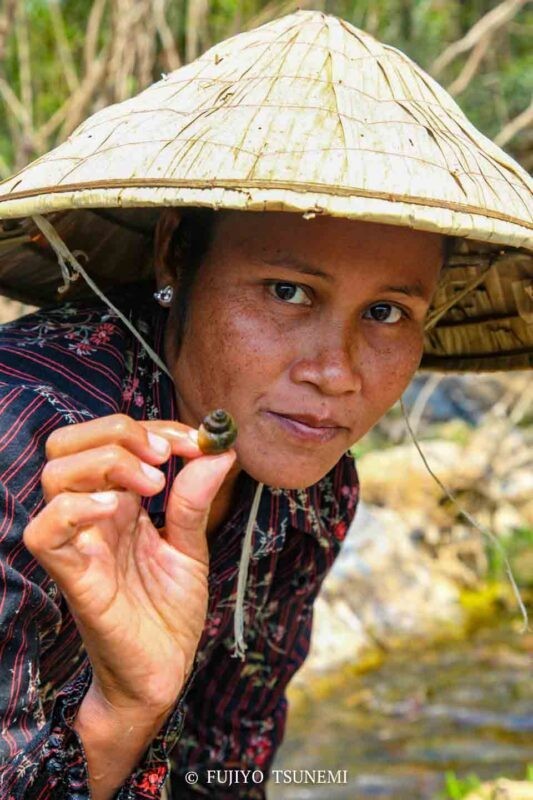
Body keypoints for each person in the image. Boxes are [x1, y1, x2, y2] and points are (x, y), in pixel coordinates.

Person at [0, 9, 531, 800]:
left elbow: (224, 768)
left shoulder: (310, 496)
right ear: (177, 250)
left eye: (385, 312)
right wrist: (124, 709)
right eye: (288, 292)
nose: (336, 372)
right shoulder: (29, 458)